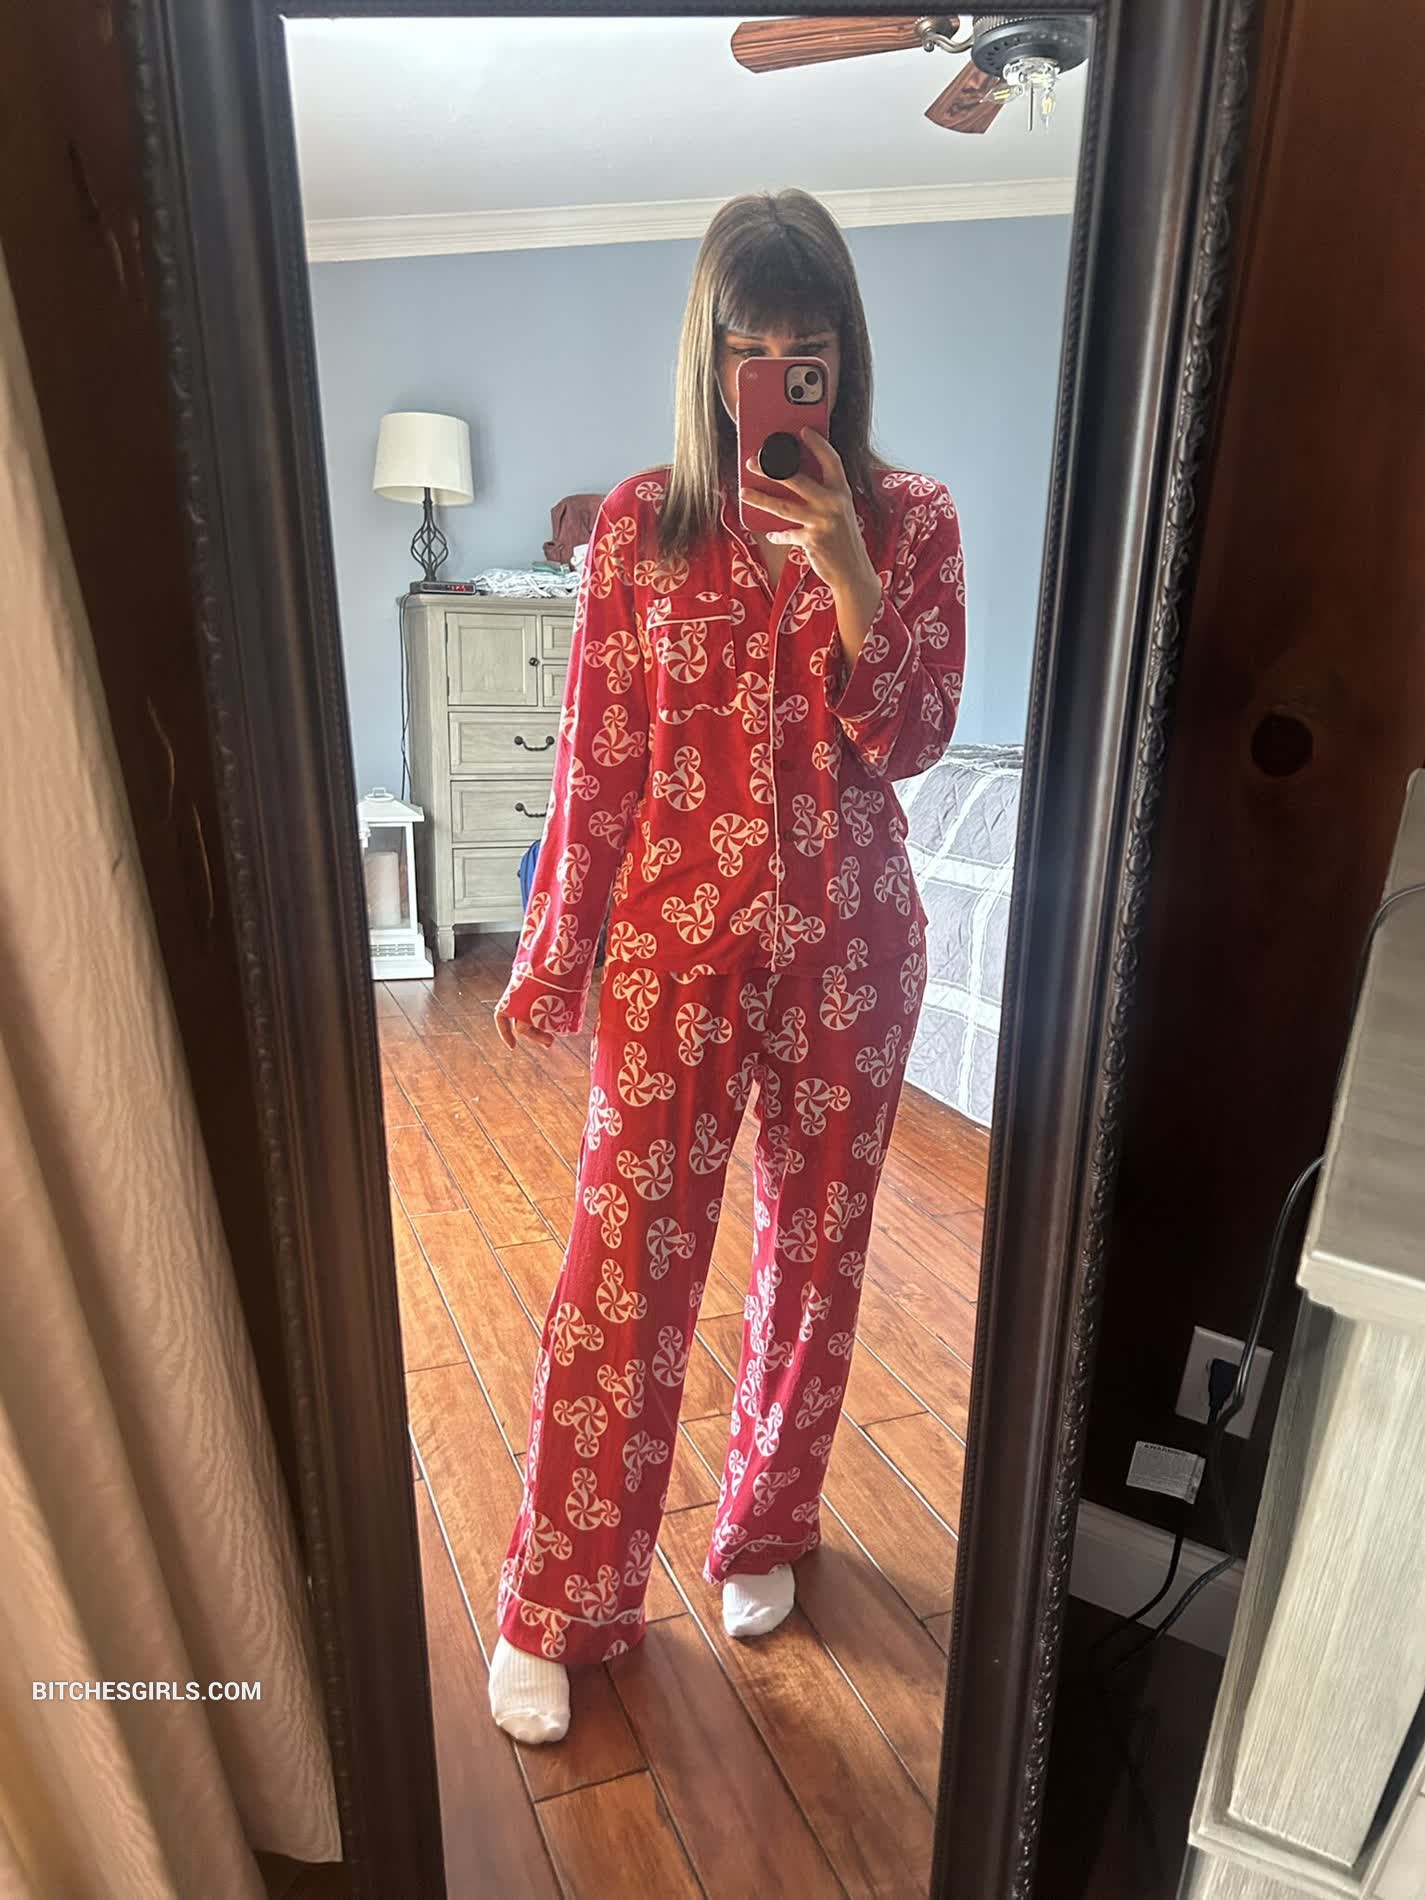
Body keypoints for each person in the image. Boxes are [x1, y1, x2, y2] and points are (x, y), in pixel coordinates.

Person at [488, 189, 966, 1744]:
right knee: (621, 1271)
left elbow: (911, 738)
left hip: (851, 952)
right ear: (708, 357)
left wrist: (851, 573)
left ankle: (766, 1519)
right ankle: (559, 1598)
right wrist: (558, 946)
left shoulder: (914, 521)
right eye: (746, 348)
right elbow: (597, 757)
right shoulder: (640, 526)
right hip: (673, 954)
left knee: (815, 1261)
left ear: (842, 361)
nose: (774, 375)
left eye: (803, 350)